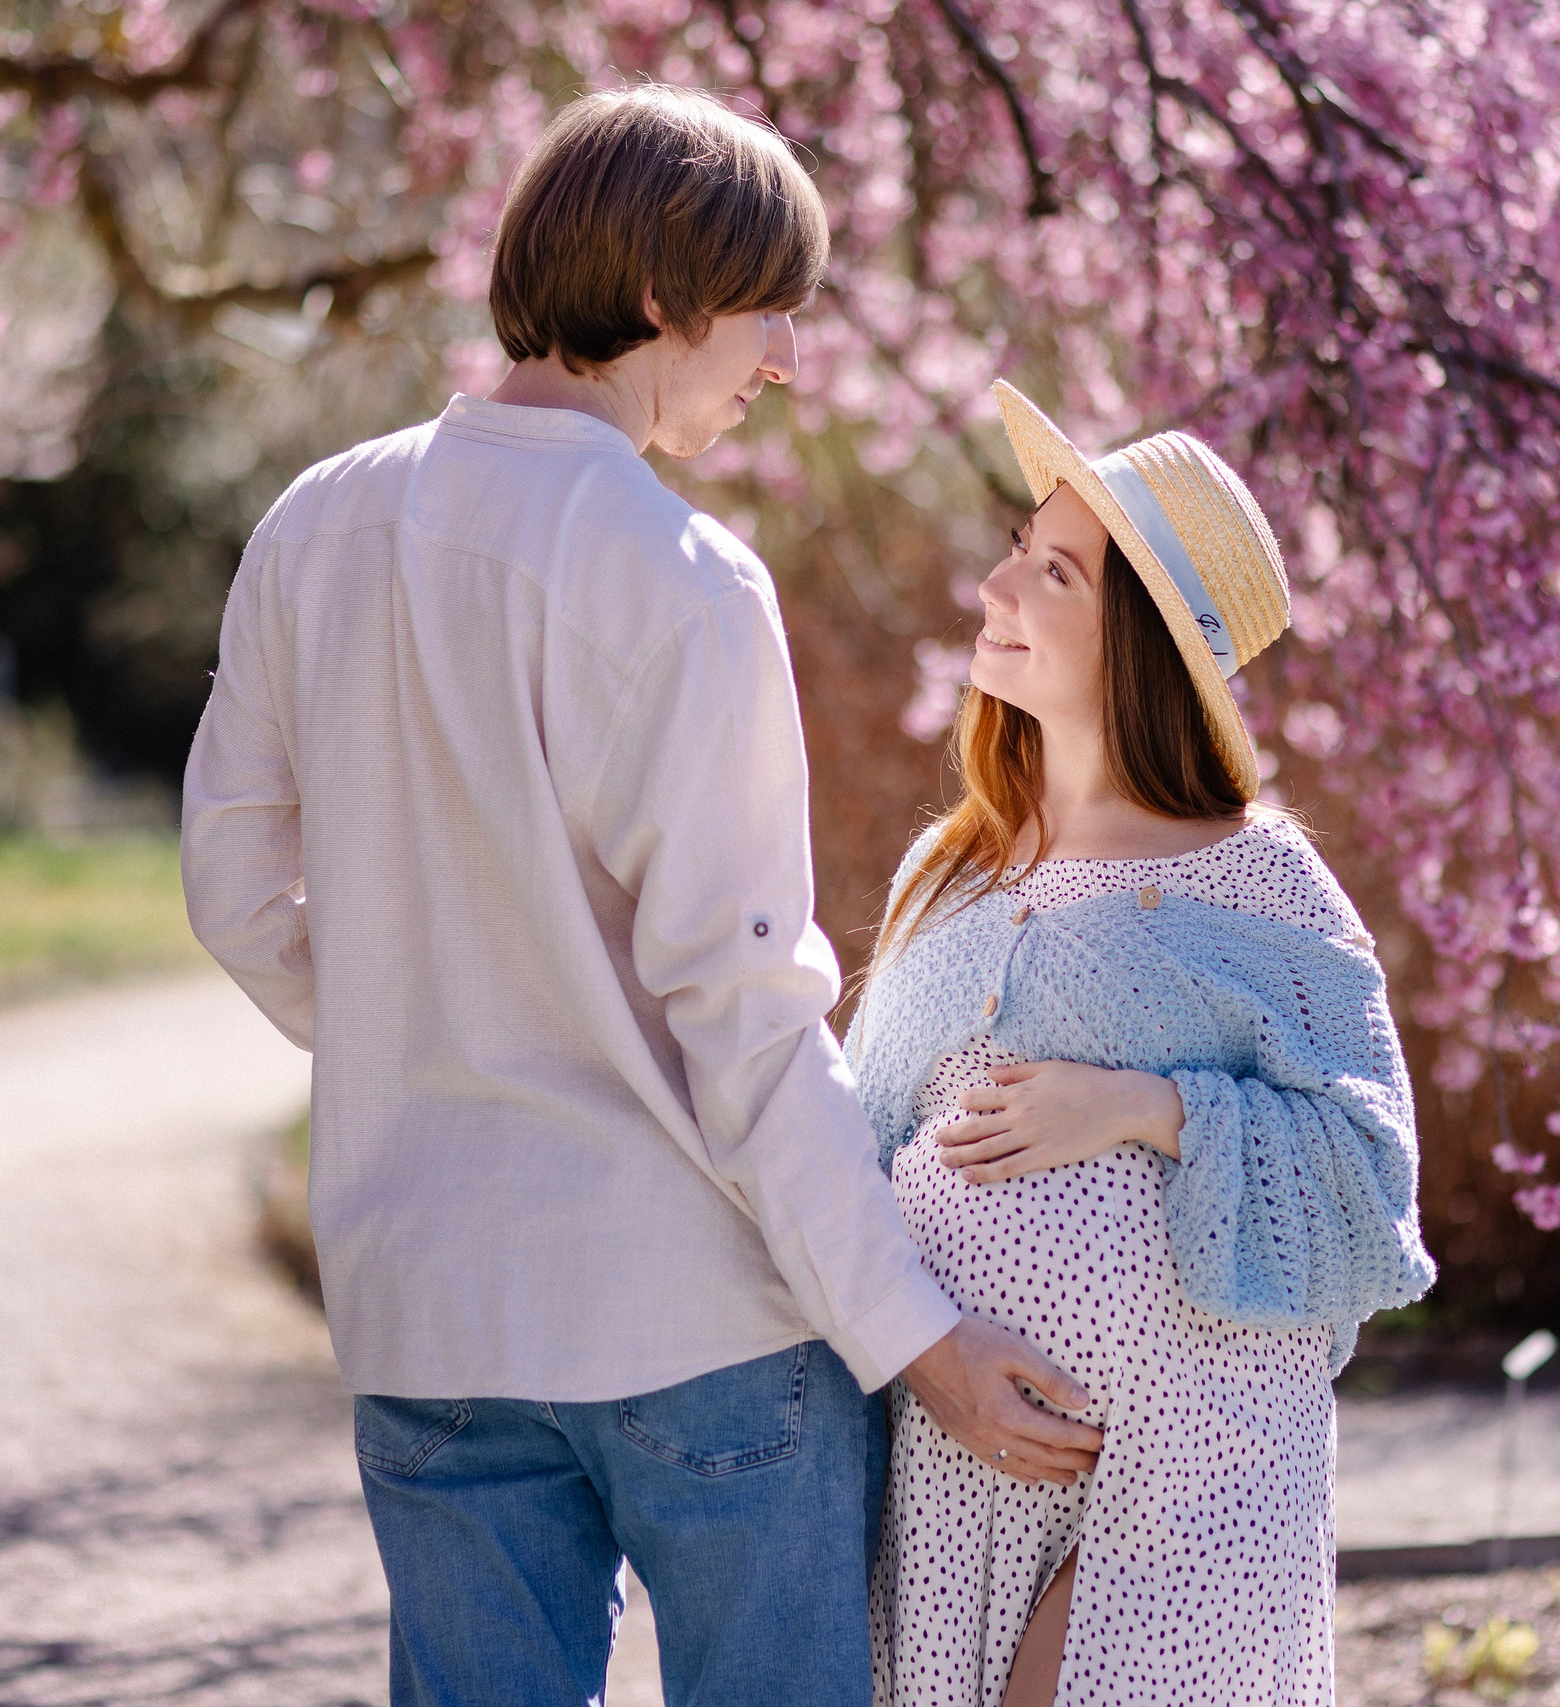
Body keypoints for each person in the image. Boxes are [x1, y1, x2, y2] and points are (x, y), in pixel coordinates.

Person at [180, 90, 1099, 1707]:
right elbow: (744, 1015)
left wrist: (423, 1026)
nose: (784, 360)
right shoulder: (684, 579)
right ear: (666, 300)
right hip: (700, 1318)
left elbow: (233, 888)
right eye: (766, 312)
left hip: (430, 1310)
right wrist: (916, 1338)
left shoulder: (315, 526)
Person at [851, 382, 1439, 1707]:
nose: (998, 584)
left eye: (1053, 571)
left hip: (1189, 1487)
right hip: (952, 1477)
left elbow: (1369, 1175)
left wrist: (1143, 1106)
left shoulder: (1262, 886)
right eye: (1019, 547)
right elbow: (851, 1154)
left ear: (1141, 648)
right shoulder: (945, 877)